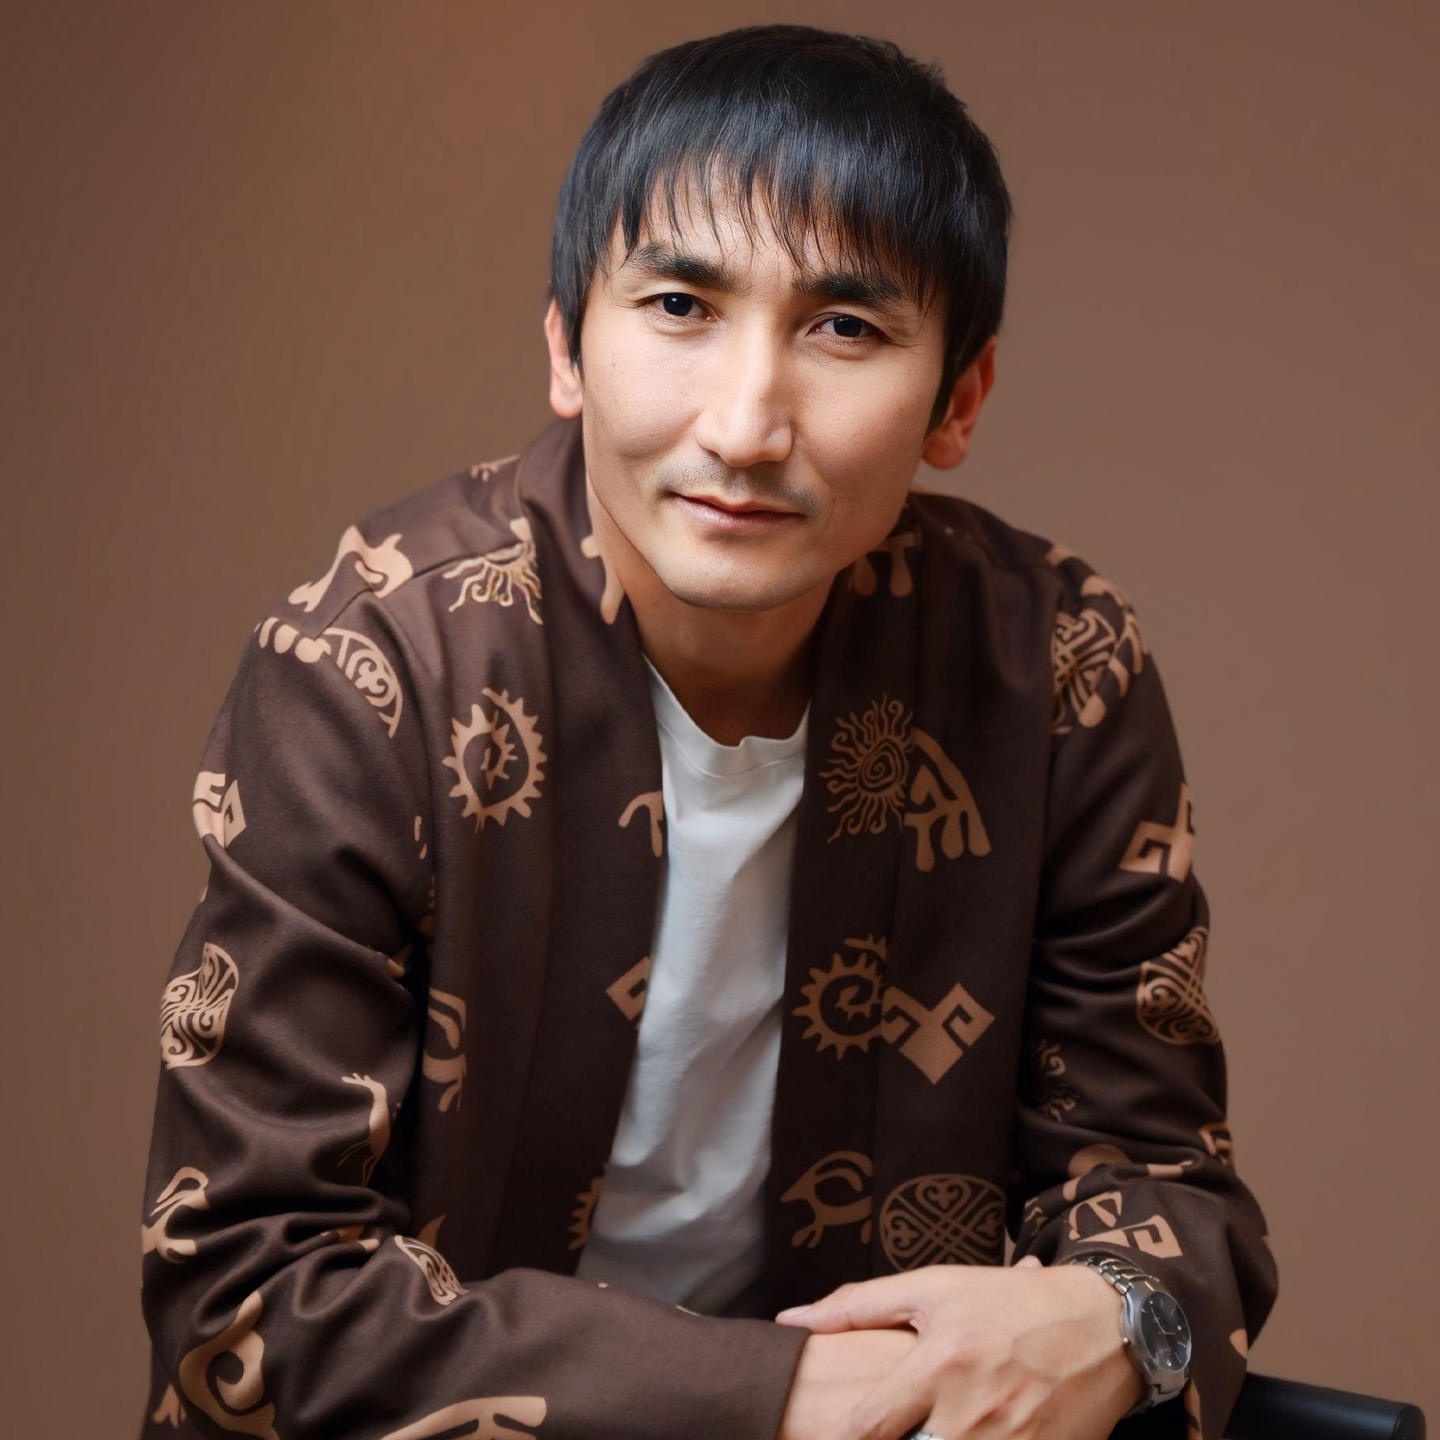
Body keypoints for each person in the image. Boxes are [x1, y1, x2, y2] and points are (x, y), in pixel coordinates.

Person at [137, 24, 1276, 1440]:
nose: (744, 427)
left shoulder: (1053, 665)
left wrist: (1124, 1314)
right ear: (567, 345)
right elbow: (248, 1294)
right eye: (680, 305)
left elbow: (1167, 1190)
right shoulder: (375, 670)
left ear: (959, 399)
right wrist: (790, 1396)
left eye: (845, 329)